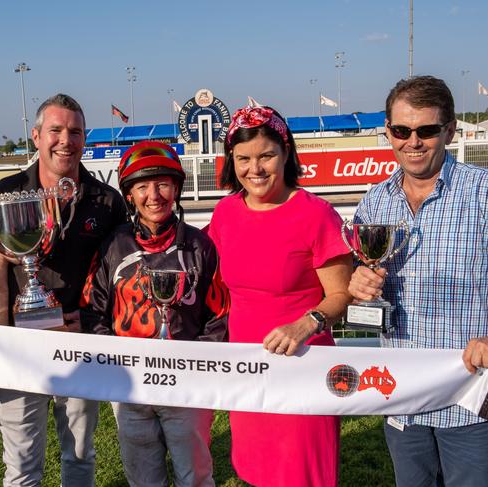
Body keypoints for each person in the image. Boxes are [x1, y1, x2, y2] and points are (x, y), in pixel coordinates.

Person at [0, 94, 127, 486]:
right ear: (36, 135)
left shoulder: (106, 200)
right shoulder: (7, 191)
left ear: (84, 138)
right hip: (19, 348)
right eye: (56, 130)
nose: (66, 140)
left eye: (75, 131)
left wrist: (93, 321)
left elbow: (117, 277)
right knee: (22, 463)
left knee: (79, 455)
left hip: (78, 345)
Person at [348, 75, 488, 487]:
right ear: (388, 131)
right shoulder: (374, 201)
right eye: (401, 130)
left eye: (426, 130)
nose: (413, 142)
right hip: (402, 399)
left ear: (449, 130)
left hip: (472, 398)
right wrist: (361, 285)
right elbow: (366, 293)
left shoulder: (482, 194)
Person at [208, 106, 353, 487]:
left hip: (304, 368)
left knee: (301, 475)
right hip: (249, 370)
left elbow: (341, 294)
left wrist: (307, 323)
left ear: (286, 154)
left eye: (266, 156)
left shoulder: (316, 215)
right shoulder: (224, 213)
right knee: (257, 471)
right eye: (243, 159)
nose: (254, 169)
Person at [80, 140, 229, 487]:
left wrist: (196, 366)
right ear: (128, 195)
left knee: (195, 476)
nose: (154, 195)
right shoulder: (112, 246)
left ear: (176, 187)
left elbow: (219, 315)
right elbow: (93, 310)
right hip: (130, 387)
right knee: (143, 479)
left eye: (162, 183)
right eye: (142, 186)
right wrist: (116, 360)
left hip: (187, 386)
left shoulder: (201, 245)